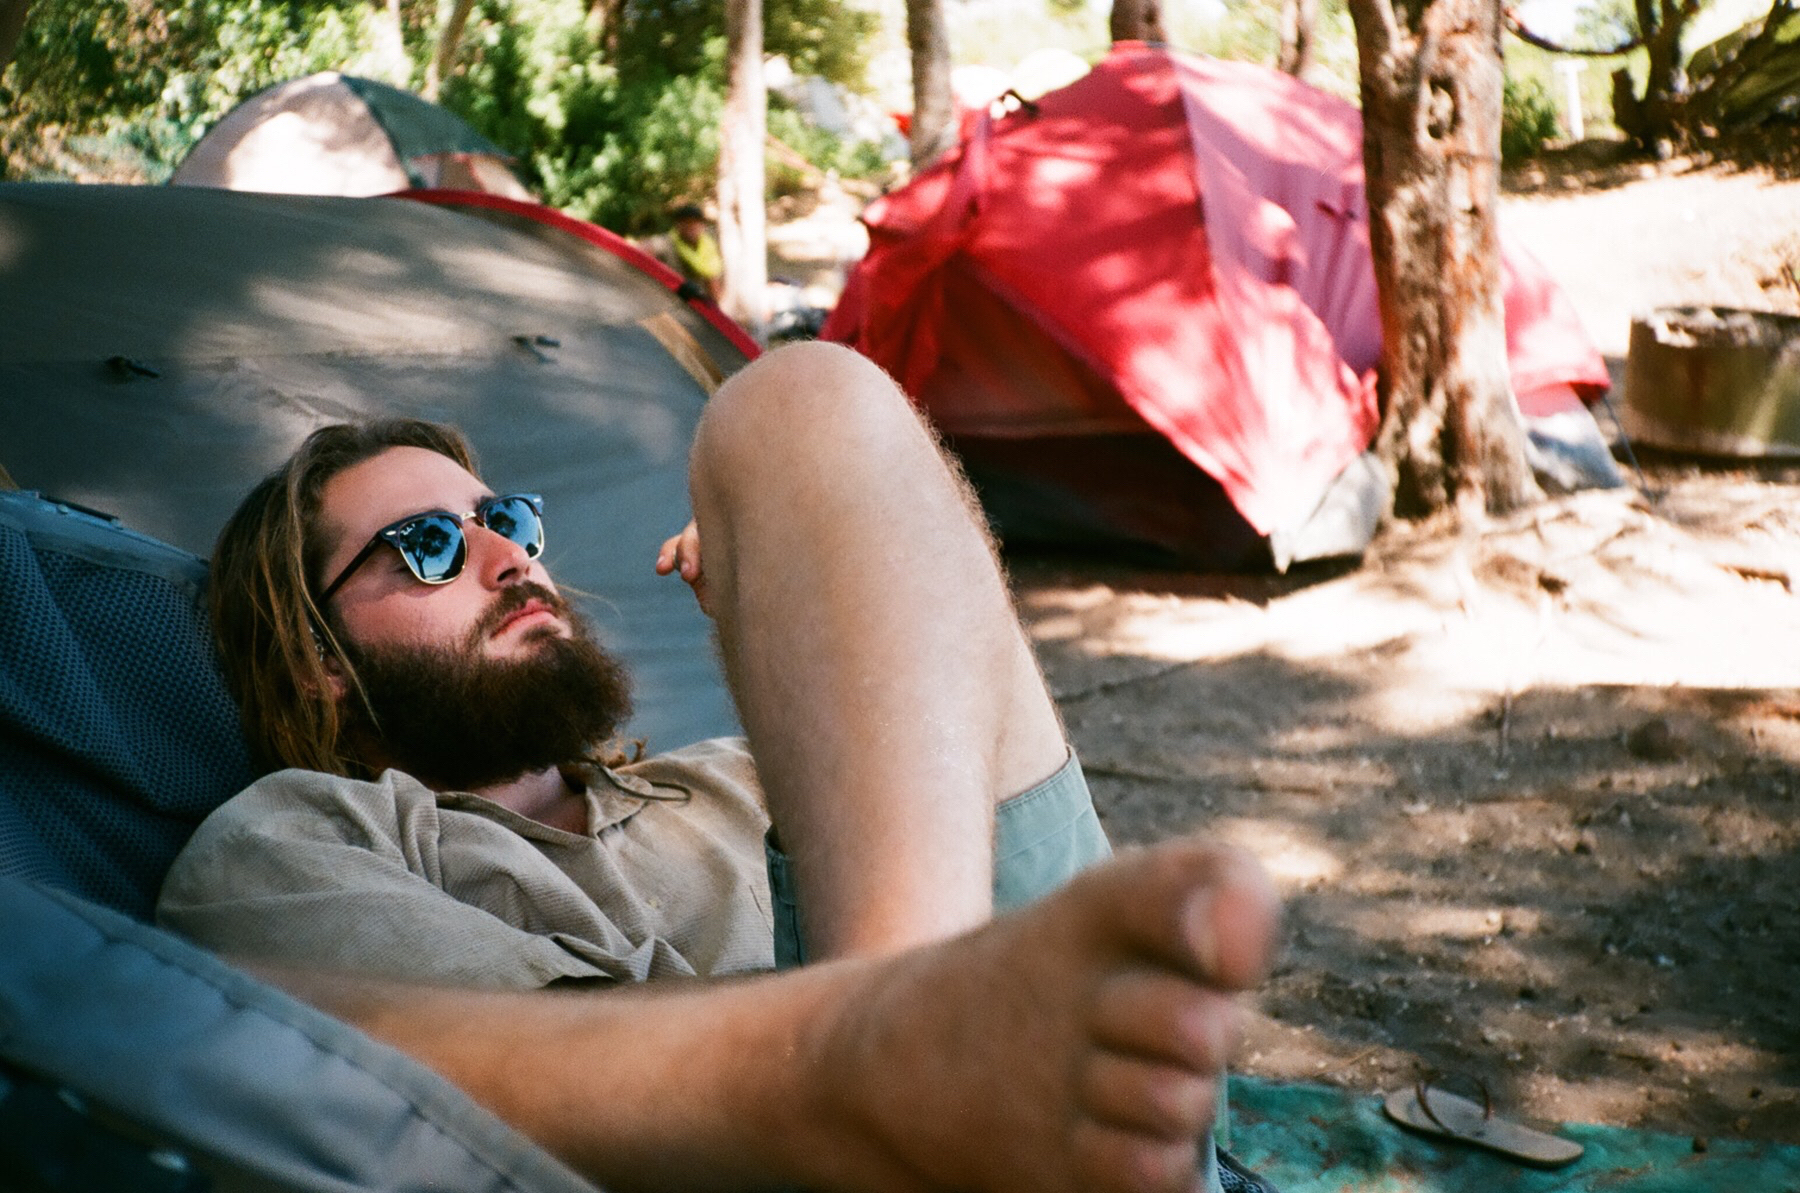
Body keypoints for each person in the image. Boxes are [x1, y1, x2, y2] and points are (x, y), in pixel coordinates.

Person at [158, 342, 1282, 1193]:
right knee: (783, 407)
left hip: (1089, 1139)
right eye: (432, 547)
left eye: (504, 519)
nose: (509, 560)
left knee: (804, 403)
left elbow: (962, 685)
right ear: (316, 659)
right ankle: (899, 1045)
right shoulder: (292, 843)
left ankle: (911, 1019)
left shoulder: (731, 776)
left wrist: (806, 627)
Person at [669, 202, 723, 303]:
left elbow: (713, 279)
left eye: (695, 222)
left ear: (703, 225)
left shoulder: (710, 244)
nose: (691, 227)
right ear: (678, 225)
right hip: (674, 302)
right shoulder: (667, 244)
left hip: (703, 305)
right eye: (686, 222)